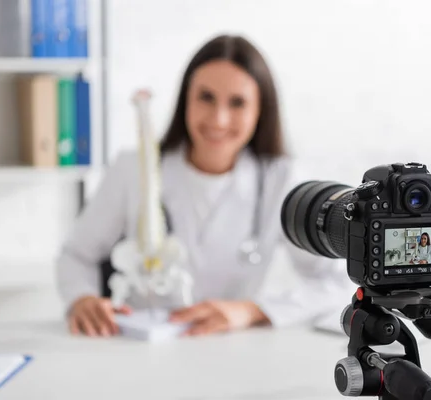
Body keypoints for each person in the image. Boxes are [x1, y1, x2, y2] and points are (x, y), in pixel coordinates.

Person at [55, 34, 354, 337]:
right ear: (186, 99)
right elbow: (76, 256)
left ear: (260, 111)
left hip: (230, 348)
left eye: (237, 103)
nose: (219, 119)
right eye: (206, 97)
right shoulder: (133, 168)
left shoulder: (281, 180)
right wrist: (83, 298)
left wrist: (252, 310)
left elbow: (337, 282)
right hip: (140, 344)